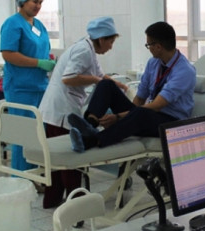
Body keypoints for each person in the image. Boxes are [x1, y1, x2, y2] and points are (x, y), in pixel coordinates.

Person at [38, 16, 128, 208]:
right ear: (101, 39)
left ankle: (52, 200)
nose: (111, 47)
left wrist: (118, 85)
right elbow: (69, 78)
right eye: (111, 42)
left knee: (56, 160)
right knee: (69, 160)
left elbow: (100, 75)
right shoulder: (84, 50)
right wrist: (96, 81)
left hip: (56, 108)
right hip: (61, 110)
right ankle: (76, 204)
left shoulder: (89, 49)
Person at [67, 21, 196, 152]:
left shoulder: (184, 71)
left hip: (170, 124)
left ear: (158, 47)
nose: (148, 48)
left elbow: (156, 106)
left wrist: (119, 117)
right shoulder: (153, 63)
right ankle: (90, 125)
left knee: (141, 113)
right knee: (106, 84)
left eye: (148, 45)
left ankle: (91, 141)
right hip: (148, 115)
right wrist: (128, 116)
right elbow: (139, 98)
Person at [0, 0, 56, 171]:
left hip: (40, 85)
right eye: (35, 2)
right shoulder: (13, 24)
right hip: (21, 87)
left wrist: (48, 60)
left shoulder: (38, 25)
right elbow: (8, 54)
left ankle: (37, 174)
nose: (38, 6)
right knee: (24, 135)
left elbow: (41, 49)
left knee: (39, 134)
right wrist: (38, 63)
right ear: (23, 1)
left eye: (40, 2)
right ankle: (21, 177)